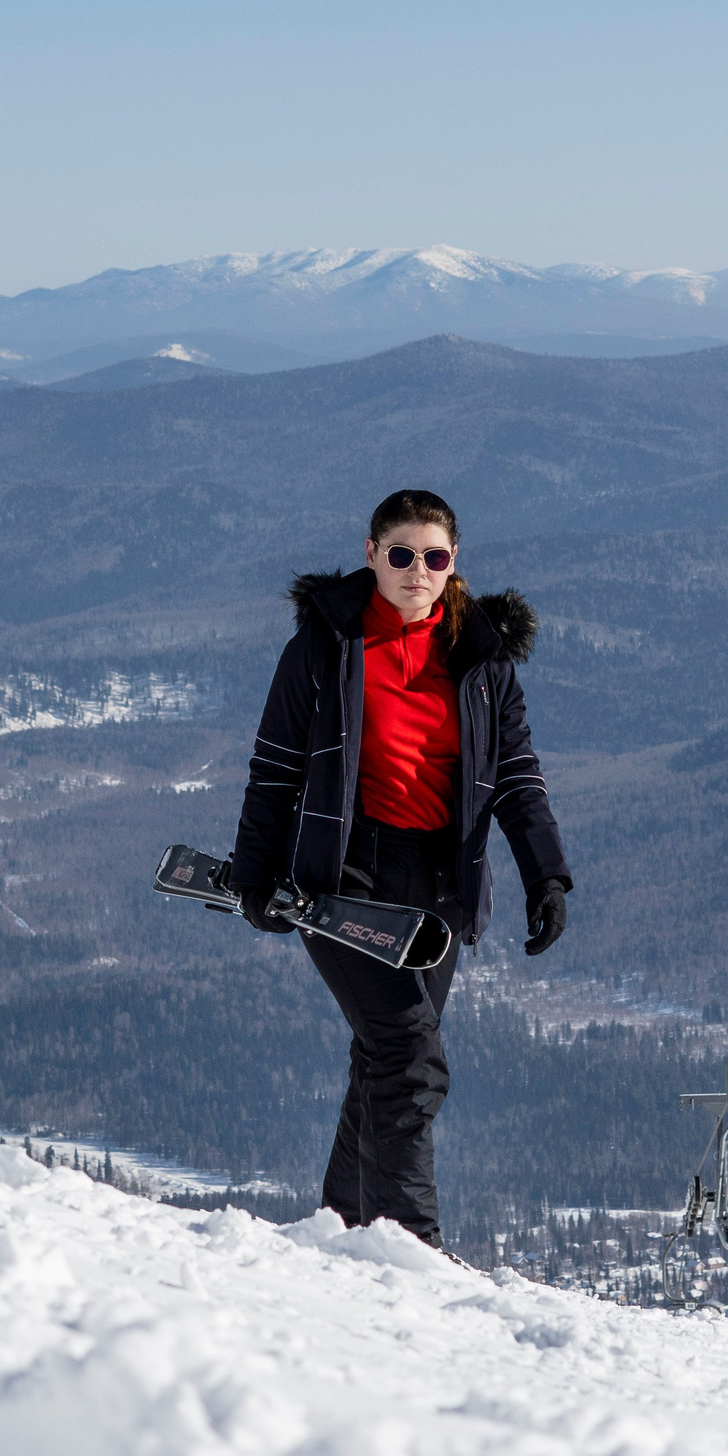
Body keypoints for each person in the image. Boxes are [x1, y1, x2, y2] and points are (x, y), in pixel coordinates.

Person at [228, 488, 571, 1249]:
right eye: (403, 554)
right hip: (343, 881)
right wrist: (254, 876)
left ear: (455, 562)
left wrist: (546, 876)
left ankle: (341, 1233)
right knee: (411, 1060)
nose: (419, 570)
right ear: (371, 553)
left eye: (435, 556)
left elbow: (517, 776)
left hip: (439, 888)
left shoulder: (480, 658)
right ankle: (411, 1248)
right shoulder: (326, 646)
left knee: (383, 1060)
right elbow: (275, 768)